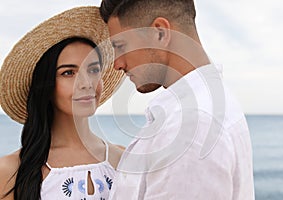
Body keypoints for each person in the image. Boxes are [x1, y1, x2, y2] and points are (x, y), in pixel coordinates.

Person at [99, 0, 255, 199]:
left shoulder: (190, 126)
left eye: (120, 46)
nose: (117, 64)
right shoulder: (208, 105)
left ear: (160, 33)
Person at [0, 6, 124, 200]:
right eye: (68, 73)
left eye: (93, 70)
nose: (86, 84)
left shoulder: (124, 160)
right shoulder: (10, 172)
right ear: (46, 85)